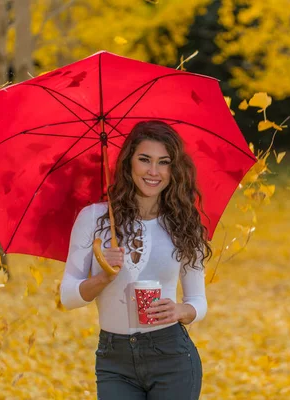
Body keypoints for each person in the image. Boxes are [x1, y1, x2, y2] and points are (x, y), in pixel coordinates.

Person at [60, 120, 212, 400]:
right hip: (114, 360)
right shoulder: (94, 219)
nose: (153, 171)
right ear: (128, 163)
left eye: (163, 162)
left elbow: (198, 302)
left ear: (173, 170)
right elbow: (68, 297)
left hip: (171, 356)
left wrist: (181, 311)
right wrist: (103, 276)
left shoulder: (183, 224)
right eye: (145, 160)